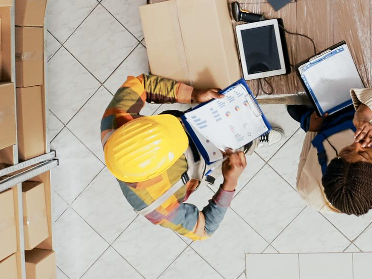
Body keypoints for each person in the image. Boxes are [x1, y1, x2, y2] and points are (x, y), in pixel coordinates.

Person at [100, 74, 282, 239]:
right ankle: (253, 142)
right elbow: (205, 229)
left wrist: (193, 94)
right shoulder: (155, 206)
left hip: (193, 122)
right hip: (203, 165)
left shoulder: (115, 124)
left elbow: (143, 84)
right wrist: (230, 182)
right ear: (159, 170)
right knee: (239, 151)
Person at [292, 87, 372, 215]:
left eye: (346, 151)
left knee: (292, 108)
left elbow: (305, 160)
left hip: (318, 121)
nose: (356, 143)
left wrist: (312, 130)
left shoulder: (311, 193)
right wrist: (364, 115)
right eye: (364, 153)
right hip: (359, 101)